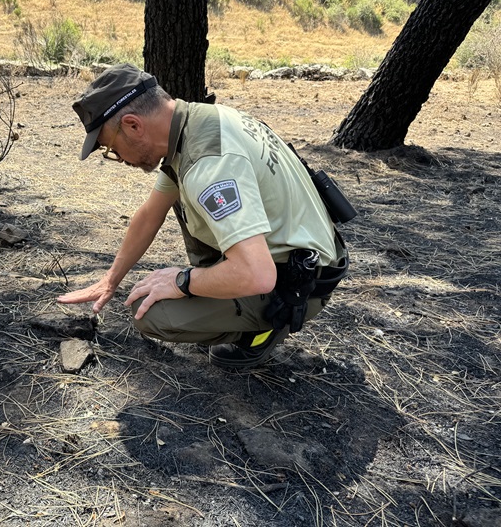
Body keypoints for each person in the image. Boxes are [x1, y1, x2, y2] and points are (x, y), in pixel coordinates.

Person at [57, 63, 348, 368]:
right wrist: (110, 280)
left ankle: (262, 331)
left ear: (132, 125)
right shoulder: (195, 124)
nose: (117, 159)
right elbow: (149, 215)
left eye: (110, 148)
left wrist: (183, 281)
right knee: (185, 216)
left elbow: (257, 275)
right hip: (310, 252)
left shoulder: (206, 165)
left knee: (153, 313)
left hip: (301, 282)